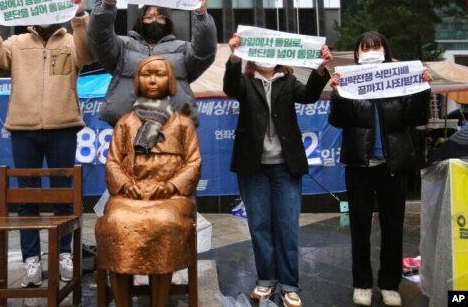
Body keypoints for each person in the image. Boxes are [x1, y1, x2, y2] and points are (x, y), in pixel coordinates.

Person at [0, 0, 93, 287]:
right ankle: (31, 259)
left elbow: (88, 54)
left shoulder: (69, 40)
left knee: (63, 195)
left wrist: (79, 15)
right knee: (26, 197)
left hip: (64, 127)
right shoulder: (16, 42)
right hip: (23, 129)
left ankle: (64, 253)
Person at [223, 33, 333, 307]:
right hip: (253, 167)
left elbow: (309, 96)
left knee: (287, 227)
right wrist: (234, 56)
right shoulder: (244, 82)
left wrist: (320, 69)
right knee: (259, 225)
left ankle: (289, 285)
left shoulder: (289, 81)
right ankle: (265, 281)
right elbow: (230, 87)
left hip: (286, 167)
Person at [328, 31, 432, 307]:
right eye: (365, 47)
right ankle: (361, 283)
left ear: (385, 51)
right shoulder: (349, 81)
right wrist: (337, 93)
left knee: (393, 226)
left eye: (376, 46)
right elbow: (337, 120)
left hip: (393, 164)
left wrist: (422, 89)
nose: (371, 50)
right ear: (357, 53)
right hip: (359, 164)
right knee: (359, 228)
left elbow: (416, 117)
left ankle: (389, 284)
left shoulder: (398, 79)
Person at [95, 55, 201, 307]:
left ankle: (159, 302)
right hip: (128, 197)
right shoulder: (125, 123)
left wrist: (170, 186)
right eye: (146, 74)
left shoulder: (183, 124)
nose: (152, 80)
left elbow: (193, 163)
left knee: (164, 222)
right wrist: (124, 184)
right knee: (115, 223)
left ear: (171, 81)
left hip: (171, 199)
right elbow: (112, 162)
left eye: (159, 74)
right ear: (137, 81)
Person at [87, 0, 217, 127]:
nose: (154, 20)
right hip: (127, 126)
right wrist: (108, 3)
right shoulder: (123, 46)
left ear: (168, 23)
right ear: (140, 21)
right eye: (149, 17)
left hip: (173, 127)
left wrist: (201, 14)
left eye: (160, 17)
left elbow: (205, 51)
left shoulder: (182, 49)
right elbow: (99, 38)